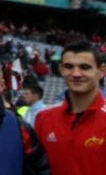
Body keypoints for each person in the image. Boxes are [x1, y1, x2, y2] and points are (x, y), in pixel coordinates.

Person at [34, 40, 106, 175]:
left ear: (101, 71)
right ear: (61, 69)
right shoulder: (43, 117)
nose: (76, 74)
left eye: (85, 67)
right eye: (69, 66)